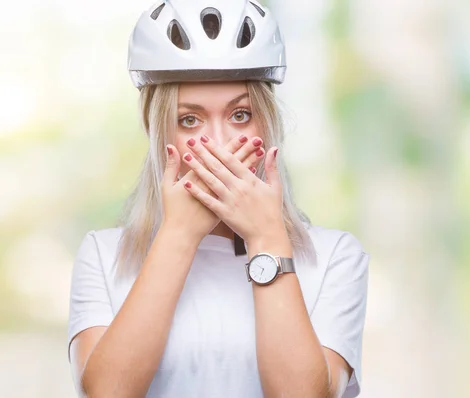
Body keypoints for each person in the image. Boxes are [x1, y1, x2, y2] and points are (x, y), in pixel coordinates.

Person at [67, 1, 369, 397]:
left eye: (240, 115)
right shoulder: (103, 256)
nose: (220, 143)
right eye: (189, 120)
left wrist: (266, 238)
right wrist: (179, 234)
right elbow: (107, 393)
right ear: (157, 131)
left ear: (267, 122)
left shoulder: (334, 257)